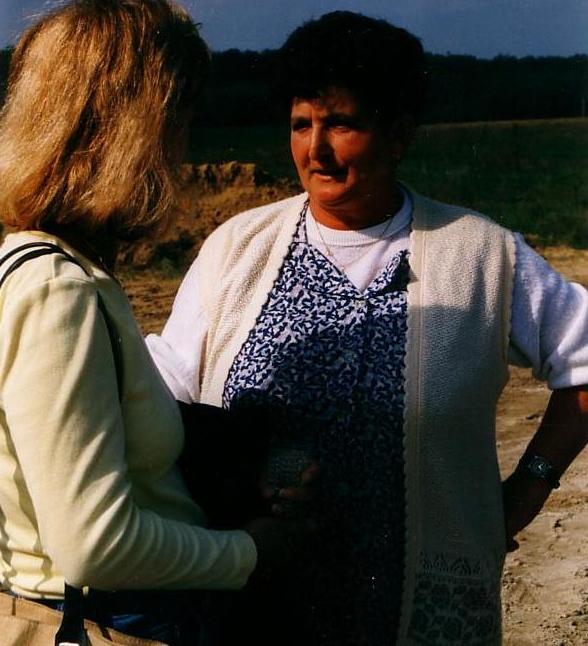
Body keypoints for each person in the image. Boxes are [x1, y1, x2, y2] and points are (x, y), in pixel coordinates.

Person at [147, 10, 588, 646]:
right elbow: (164, 398)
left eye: (341, 124)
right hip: (256, 604)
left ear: (398, 134)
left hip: (422, 615)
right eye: (301, 124)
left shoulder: (480, 254)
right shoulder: (237, 248)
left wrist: (528, 488)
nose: (315, 149)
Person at [0, 2, 309, 644]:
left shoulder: (25, 263)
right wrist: (250, 553)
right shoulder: (62, 291)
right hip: (104, 622)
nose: (179, 150)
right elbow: (95, 545)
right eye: (175, 123)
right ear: (131, 132)